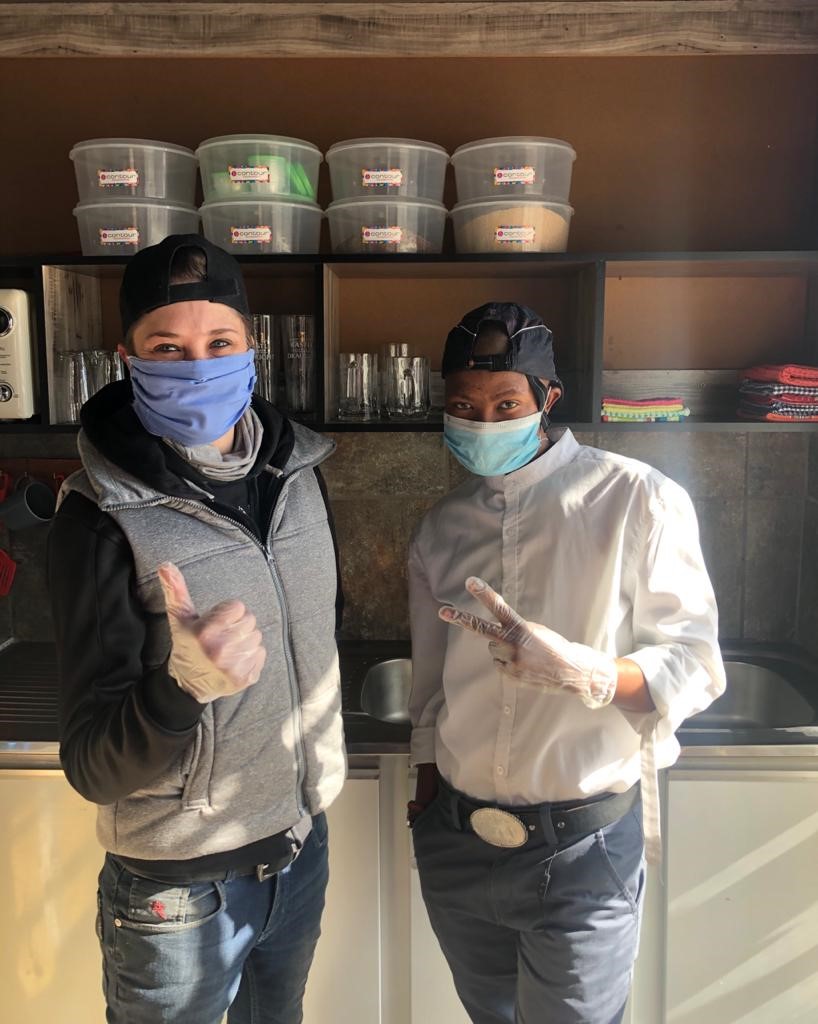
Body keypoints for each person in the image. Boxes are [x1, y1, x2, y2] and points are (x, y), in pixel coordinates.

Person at [47, 234, 345, 1024]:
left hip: (298, 850)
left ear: (252, 347)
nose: (197, 365)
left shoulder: (298, 476)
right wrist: (184, 689)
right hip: (178, 893)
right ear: (128, 357)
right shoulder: (98, 517)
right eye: (167, 348)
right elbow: (92, 765)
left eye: (219, 342)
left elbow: (315, 634)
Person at [407, 301, 726, 1024]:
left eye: (505, 404)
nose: (483, 422)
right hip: (458, 841)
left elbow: (697, 661)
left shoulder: (638, 499)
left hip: (583, 851)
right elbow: (429, 687)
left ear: (547, 398)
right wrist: (426, 803)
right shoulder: (441, 530)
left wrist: (592, 674)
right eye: (464, 406)